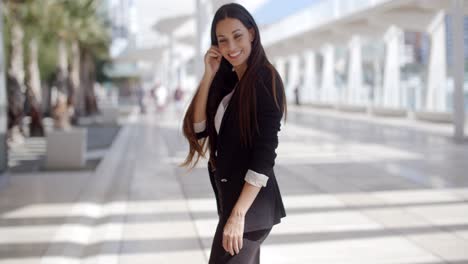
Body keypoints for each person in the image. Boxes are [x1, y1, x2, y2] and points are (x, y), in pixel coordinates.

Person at [181, 3, 287, 263]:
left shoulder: (265, 79)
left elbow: (264, 157)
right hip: (235, 205)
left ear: (251, 33)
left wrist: (238, 215)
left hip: (249, 211)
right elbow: (199, 128)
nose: (231, 47)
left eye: (237, 36)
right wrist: (209, 75)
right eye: (222, 40)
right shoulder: (230, 82)